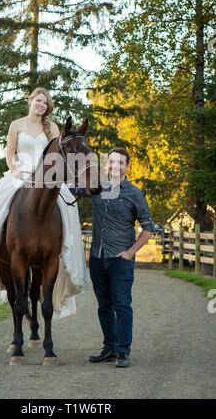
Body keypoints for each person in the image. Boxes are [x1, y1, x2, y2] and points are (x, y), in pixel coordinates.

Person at [0, 88, 88, 324]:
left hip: (47, 176)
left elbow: (58, 155)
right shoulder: (17, 124)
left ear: (48, 106)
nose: (41, 105)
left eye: (45, 102)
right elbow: (9, 153)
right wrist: (14, 170)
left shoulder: (53, 128)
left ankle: (66, 248)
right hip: (22, 172)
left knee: (68, 207)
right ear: (30, 101)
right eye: (38, 100)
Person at [76, 147, 154, 367]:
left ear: (127, 166)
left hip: (121, 259)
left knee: (122, 304)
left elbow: (148, 228)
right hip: (97, 258)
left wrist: (130, 252)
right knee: (103, 305)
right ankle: (109, 347)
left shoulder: (134, 193)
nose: (115, 166)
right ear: (106, 165)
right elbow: (71, 188)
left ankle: (123, 351)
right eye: (111, 162)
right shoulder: (97, 187)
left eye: (120, 162)